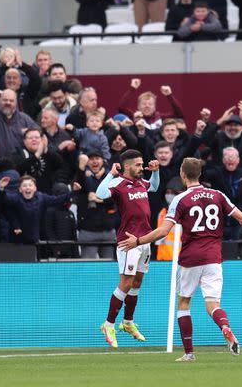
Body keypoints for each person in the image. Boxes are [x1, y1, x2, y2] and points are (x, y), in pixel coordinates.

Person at [118, 157, 242, 361]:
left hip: (191, 258)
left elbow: (163, 231)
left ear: (183, 175)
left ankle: (189, 353)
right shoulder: (217, 195)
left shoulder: (181, 199)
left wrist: (137, 241)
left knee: (184, 303)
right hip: (213, 258)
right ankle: (225, 327)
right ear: (200, 174)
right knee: (213, 304)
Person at [95, 149, 160, 348]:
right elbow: (100, 194)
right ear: (127, 166)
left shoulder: (142, 182)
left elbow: (155, 187)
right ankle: (108, 324)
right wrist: (110, 174)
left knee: (137, 282)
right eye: (139, 165)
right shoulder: (118, 183)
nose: (142, 167)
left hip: (144, 239)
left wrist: (155, 172)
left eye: (142, 164)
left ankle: (128, 322)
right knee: (126, 282)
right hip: (128, 241)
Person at [3, 175, 77, 245]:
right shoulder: (16, 198)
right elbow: (4, 199)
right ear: (20, 189)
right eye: (24, 185)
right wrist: (1, 188)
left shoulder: (41, 197)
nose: (27, 187)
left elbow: (57, 199)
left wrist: (73, 191)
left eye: (30, 185)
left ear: (35, 188)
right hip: (17, 240)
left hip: (34, 239)